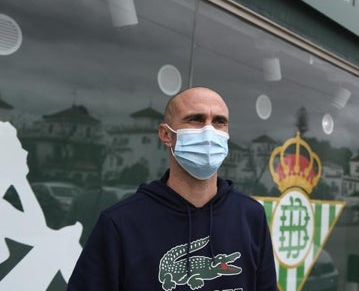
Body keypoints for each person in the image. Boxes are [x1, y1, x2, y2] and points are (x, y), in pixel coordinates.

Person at [67, 87, 278, 291]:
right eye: (195, 119)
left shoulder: (251, 215)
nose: (209, 131)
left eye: (219, 122)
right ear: (166, 134)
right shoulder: (120, 223)